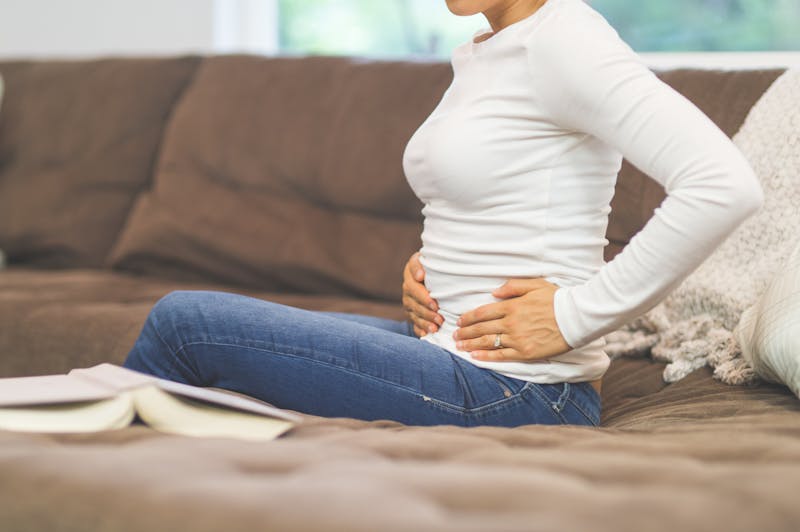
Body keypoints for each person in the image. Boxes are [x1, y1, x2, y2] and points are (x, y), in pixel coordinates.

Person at [122, 0, 763, 428]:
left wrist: (573, 315)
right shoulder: (489, 48)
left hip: (519, 390)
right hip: (448, 346)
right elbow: (493, 189)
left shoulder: (566, 38)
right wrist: (434, 264)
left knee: (187, 325)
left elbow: (721, 184)